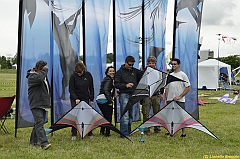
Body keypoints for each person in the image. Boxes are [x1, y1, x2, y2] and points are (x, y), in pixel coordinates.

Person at [114, 55, 143, 137]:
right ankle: (124, 134)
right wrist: (126, 85)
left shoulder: (135, 71)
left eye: (132, 65)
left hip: (133, 95)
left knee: (130, 115)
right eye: (129, 64)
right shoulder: (120, 72)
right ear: (125, 63)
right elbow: (116, 84)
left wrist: (148, 68)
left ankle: (128, 132)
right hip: (124, 95)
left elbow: (143, 74)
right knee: (125, 115)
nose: (131, 66)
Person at [26, 60, 51, 150]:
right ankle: (44, 143)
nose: (47, 70)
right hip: (36, 103)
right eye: (45, 68)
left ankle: (33, 142)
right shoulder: (32, 77)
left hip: (43, 103)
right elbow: (39, 79)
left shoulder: (43, 76)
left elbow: (47, 88)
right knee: (40, 124)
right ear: (40, 69)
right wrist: (44, 71)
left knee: (39, 123)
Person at [164, 58, 190, 137]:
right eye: (172, 64)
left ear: (179, 64)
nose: (173, 65)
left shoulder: (183, 75)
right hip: (170, 100)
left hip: (180, 100)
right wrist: (166, 99)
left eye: (175, 64)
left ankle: (183, 133)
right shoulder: (170, 75)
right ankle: (170, 131)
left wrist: (179, 96)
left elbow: (188, 88)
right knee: (170, 117)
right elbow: (167, 88)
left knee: (181, 116)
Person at [69, 62, 94, 140]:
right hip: (75, 99)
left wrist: (91, 99)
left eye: (80, 72)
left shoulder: (88, 75)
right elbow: (71, 89)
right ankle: (74, 133)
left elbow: (91, 88)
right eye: (77, 73)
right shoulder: (73, 76)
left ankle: (89, 132)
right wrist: (76, 98)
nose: (79, 74)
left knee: (87, 115)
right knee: (75, 116)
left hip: (85, 98)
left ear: (84, 70)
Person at [141, 56, 164, 136]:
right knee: (146, 113)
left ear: (155, 64)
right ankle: (146, 129)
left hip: (156, 95)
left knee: (157, 112)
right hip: (147, 95)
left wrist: (161, 92)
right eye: (149, 63)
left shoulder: (158, 72)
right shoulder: (144, 71)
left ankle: (157, 129)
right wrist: (145, 70)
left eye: (153, 63)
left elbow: (162, 83)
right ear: (147, 64)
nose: (151, 64)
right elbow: (140, 80)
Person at [97, 66, 115, 137]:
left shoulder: (107, 79)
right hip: (104, 99)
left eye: (113, 71)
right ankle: (107, 133)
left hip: (100, 99)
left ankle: (102, 131)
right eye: (110, 71)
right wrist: (109, 101)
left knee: (105, 116)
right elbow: (106, 90)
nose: (112, 72)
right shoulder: (109, 80)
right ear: (107, 72)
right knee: (108, 117)